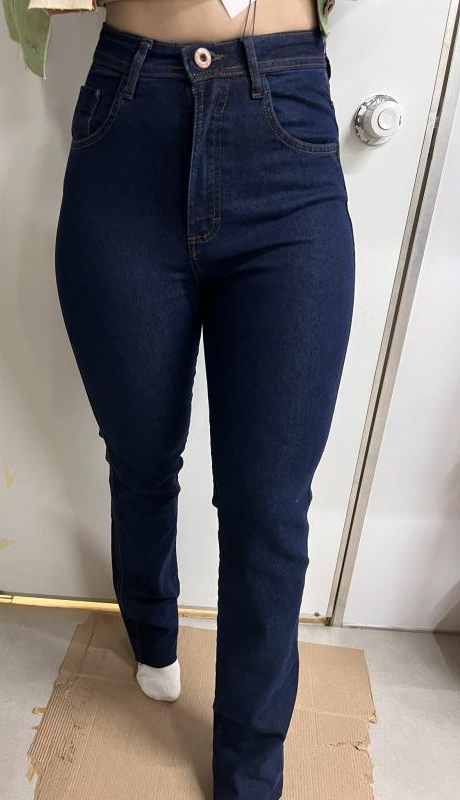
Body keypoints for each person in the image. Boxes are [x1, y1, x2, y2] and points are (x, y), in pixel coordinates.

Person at [52, 1, 354, 797]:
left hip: (286, 128)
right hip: (127, 119)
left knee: (270, 505)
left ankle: (250, 771)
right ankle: (153, 630)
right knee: (142, 456)